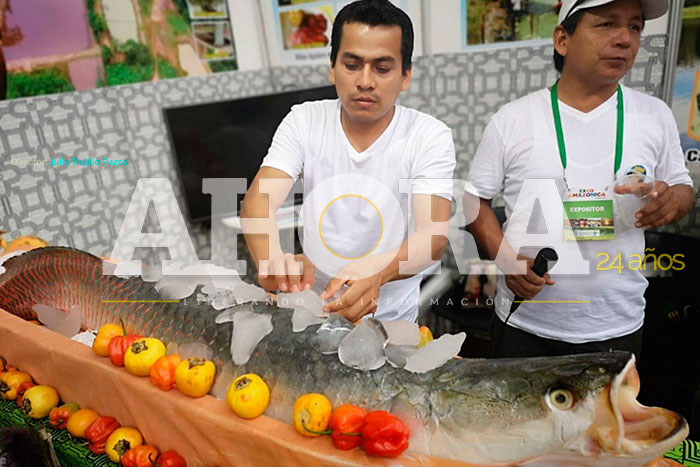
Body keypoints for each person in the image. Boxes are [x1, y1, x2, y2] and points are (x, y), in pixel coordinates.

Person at [465, 0, 694, 358]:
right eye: (607, 24)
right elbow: (473, 200)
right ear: (562, 40)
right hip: (525, 321)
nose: (625, 39)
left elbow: (682, 187)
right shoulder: (513, 119)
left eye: (635, 27)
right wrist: (506, 259)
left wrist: (672, 202)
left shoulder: (654, 115)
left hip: (616, 323)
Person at [241, 0, 455, 323]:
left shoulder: (428, 135)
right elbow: (258, 202)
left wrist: (378, 272)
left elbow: (432, 238)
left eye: (382, 69)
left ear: (405, 76)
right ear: (332, 67)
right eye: (352, 65)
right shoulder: (304, 120)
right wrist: (272, 260)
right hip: (313, 309)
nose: (365, 81)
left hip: (391, 317)